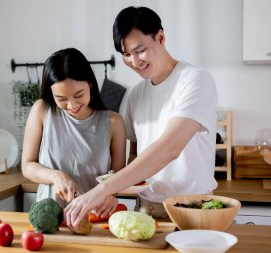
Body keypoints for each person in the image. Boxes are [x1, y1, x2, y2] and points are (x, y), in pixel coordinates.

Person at [65, 6, 218, 227]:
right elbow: (136, 153)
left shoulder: (195, 80)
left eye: (140, 50)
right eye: (126, 54)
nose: (134, 61)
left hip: (193, 209)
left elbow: (170, 147)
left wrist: (103, 189)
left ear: (161, 37)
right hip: (146, 208)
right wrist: (116, 187)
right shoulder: (135, 94)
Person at [21, 48, 126, 211]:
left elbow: (119, 177)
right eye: (61, 99)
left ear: (90, 84)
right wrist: (55, 176)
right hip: (51, 217)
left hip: (95, 216)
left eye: (78, 95)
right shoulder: (42, 110)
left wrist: (112, 195)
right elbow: (27, 166)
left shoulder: (114, 122)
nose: (72, 105)